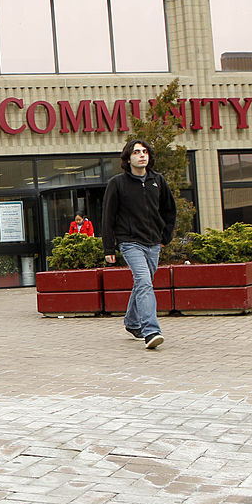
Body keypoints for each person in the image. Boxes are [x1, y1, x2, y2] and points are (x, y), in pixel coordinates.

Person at [102, 138, 176, 350]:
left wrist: (165, 237)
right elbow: (108, 217)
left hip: (153, 242)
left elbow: (169, 211)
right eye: (136, 152)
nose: (141, 155)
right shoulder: (118, 184)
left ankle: (132, 322)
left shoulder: (158, 181)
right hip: (129, 242)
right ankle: (151, 330)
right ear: (128, 158)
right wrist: (109, 248)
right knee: (144, 282)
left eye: (144, 152)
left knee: (142, 284)